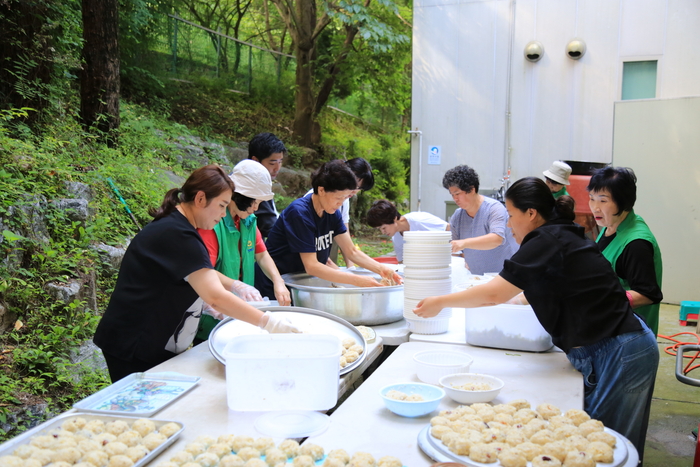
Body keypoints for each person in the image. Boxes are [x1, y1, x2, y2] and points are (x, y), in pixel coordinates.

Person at [413, 177, 658, 461]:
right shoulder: (558, 235)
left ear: (531, 214)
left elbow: (495, 294)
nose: (507, 224)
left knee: (604, 448)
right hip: (610, 347)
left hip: (622, 351)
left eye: (511, 215)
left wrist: (440, 303)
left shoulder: (547, 239)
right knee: (590, 445)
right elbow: (541, 286)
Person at [93, 165, 300, 383]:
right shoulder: (178, 234)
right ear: (200, 199)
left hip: (154, 339)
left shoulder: (181, 228)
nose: (223, 214)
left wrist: (215, 305)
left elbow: (195, 283)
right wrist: (270, 323)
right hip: (135, 343)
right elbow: (216, 296)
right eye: (221, 205)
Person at [256, 159, 402, 299]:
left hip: (299, 284)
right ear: (321, 190)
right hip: (275, 285)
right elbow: (312, 266)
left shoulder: (331, 212)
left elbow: (351, 251)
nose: (340, 203)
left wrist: (382, 270)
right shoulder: (300, 213)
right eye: (338, 198)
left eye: (345, 199)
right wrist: (357, 280)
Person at [194, 160, 292, 343]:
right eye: (255, 202)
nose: (257, 208)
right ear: (240, 196)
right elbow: (204, 271)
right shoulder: (212, 224)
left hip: (242, 313)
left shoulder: (249, 220)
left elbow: (261, 254)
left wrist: (279, 282)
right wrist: (237, 286)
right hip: (215, 313)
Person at [588, 166, 663, 335]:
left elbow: (648, 294)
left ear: (623, 202)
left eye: (603, 200)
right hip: (608, 324)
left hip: (629, 338)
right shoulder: (613, 224)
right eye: (591, 198)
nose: (595, 207)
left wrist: (600, 300)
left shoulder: (636, 244)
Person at [443, 165, 517, 274]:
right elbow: (454, 249)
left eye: (457, 194)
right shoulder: (457, 216)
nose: (455, 199)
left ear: (472, 189)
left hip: (504, 276)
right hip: (475, 278)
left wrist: (464, 243)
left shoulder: (494, 208)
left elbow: (497, 238)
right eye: (452, 195)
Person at [304, 157, 375, 267]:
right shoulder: (307, 205)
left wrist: (350, 268)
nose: (355, 192)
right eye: (355, 186)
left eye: (359, 189)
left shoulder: (342, 200)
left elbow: (348, 244)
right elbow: (311, 257)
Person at [366, 199, 449, 263]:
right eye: (379, 229)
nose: (382, 232)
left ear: (394, 219)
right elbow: (402, 261)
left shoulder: (420, 220)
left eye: (384, 228)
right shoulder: (396, 237)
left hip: (446, 259)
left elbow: (449, 229)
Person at [248, 132, 286, 238]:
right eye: (272, 163)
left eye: (280, 162)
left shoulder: (261, 179)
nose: (277, 168)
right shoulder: (252, 183)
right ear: (255, 160)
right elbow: (269, 226)